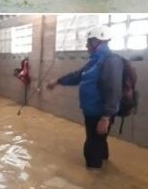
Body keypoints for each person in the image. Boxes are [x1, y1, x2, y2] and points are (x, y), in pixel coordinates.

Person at [47, 25, 123, 169]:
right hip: (92, 112)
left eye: (88, 42)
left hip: (100, 114)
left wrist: (106, 118)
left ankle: (94, 184)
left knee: (92, 150)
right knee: (99, 142)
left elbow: (114, 91)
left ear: (97, 41)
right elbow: (78, 76)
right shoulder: (94, 61)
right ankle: (105, 172)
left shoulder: (111, 61)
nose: (86, 45)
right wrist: (58, 81)